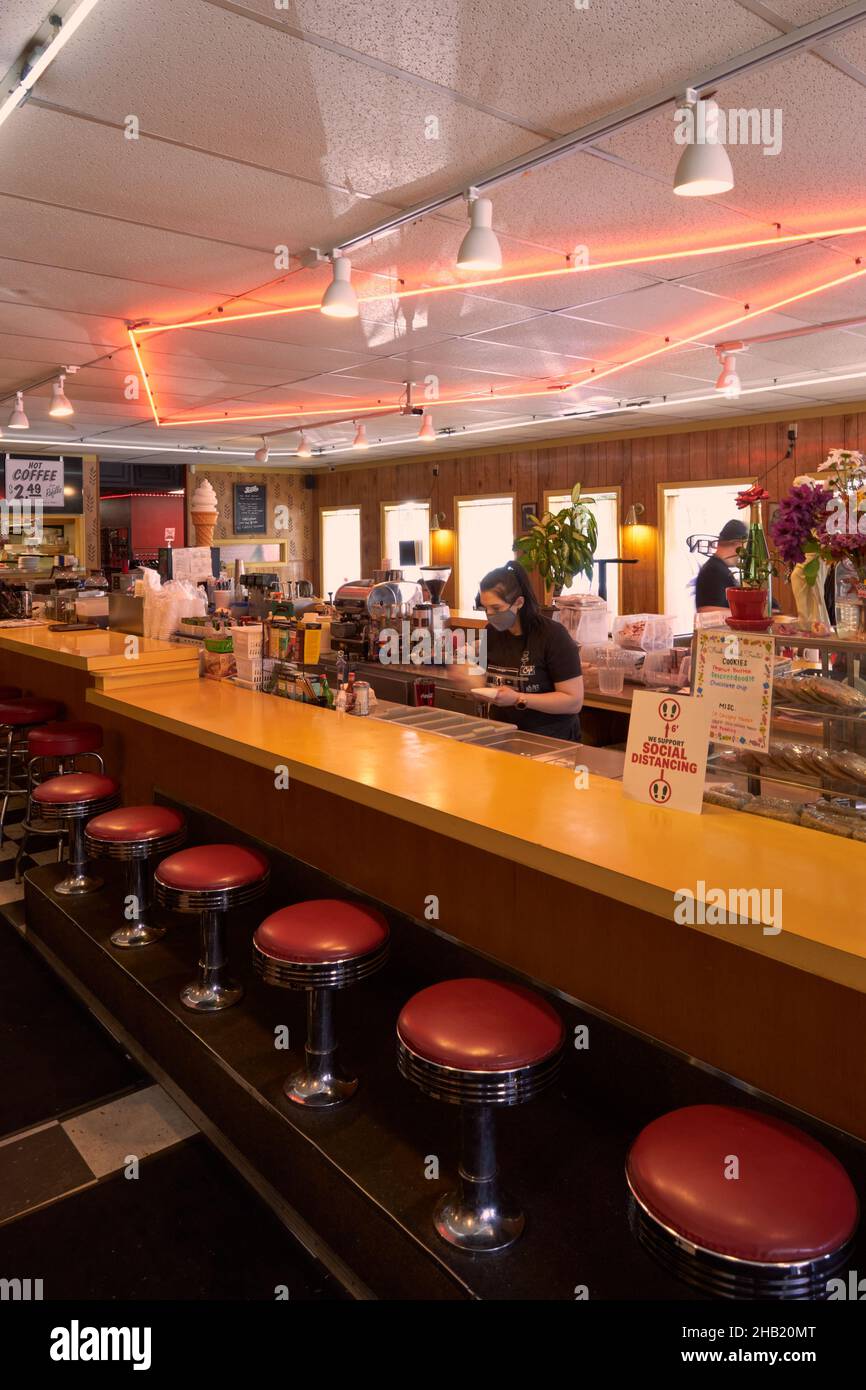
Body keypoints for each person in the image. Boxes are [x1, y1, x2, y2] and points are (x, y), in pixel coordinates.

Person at [472, 561, 584, 740]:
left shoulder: (553, 635)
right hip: (504, 734)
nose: (490, 614)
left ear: (519, 602)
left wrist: (518, 699)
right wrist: (465, 677)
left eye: (496, 608)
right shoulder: (490, 632)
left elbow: (573, 701)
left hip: (550, 739)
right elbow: (479, 680)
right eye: (485, 608)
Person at [694, 519, 748, 615]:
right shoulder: (713, 572)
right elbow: (707, 612)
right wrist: (750, 614)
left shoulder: (718, 569)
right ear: (737, 543)